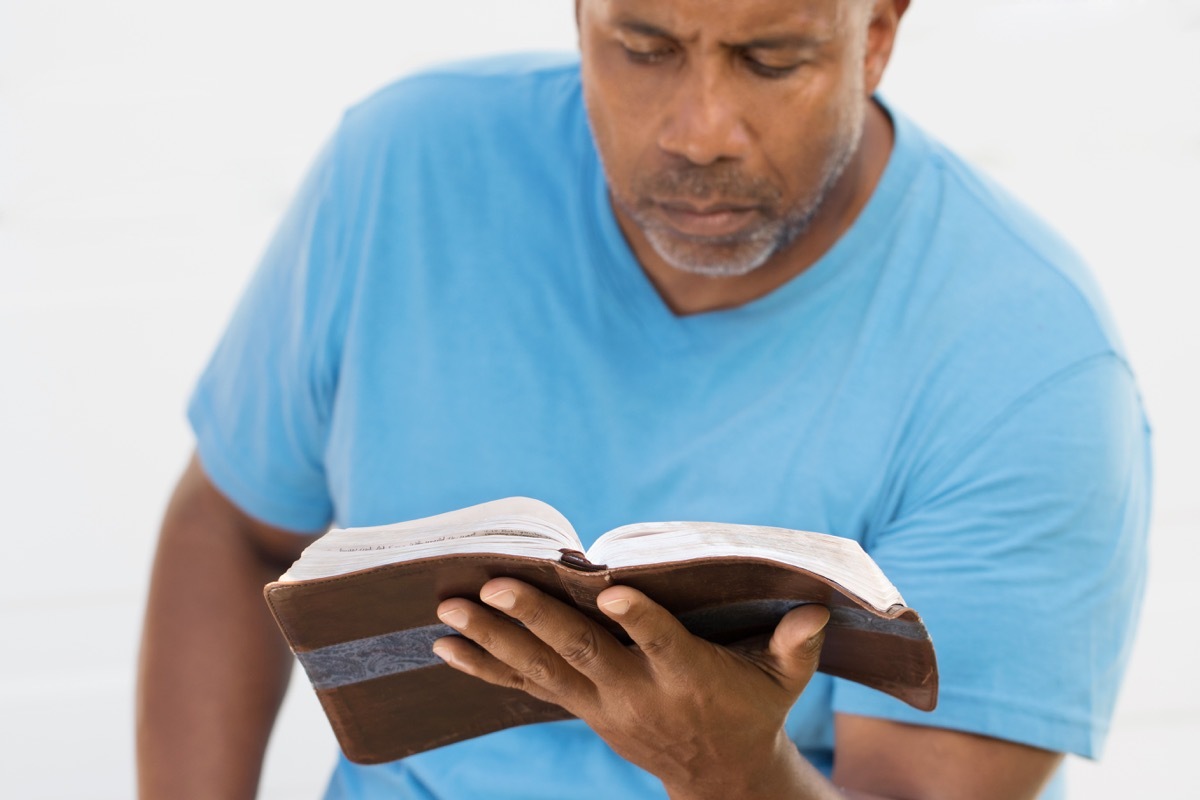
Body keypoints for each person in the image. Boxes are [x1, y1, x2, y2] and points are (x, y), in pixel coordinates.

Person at [136, 0, 1151, 798]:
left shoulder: (1028, 358)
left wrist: (732, 774)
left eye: (771, 59)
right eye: (644, 44)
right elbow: (235, 528)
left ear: (876, 34)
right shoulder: (405, 163)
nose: (701, 130)